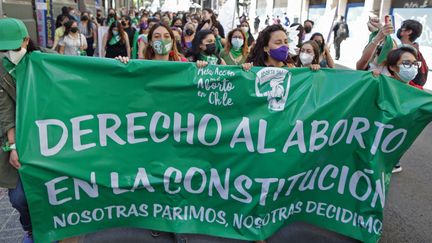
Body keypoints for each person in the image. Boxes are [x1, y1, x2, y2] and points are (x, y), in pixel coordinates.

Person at [0, 18, 40, 243]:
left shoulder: (44, 61)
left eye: (13, 48)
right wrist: (12, 146)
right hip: (17, 138)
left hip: (50, 135)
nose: (8, 53)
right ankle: (31, 228)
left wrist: (118, 63)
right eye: (3, 49)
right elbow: (4, 111)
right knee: (18, 197)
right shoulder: (1, 69)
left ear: (26, 41)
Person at [385, 46, 423, 172]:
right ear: (392, 67)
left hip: (395, 141)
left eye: (414, 63)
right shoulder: (380, 84)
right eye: (406, 63)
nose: (412, 67)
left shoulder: (419, 93)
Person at [117, 23, 187, 63]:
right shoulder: (142, 64)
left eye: (166, 36)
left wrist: (198, 66)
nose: (162, 40)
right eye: (157, 36)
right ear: (150, 42)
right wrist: (122, 64)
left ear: (172, 41)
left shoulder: (182, 62)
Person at [396, 19, 428, 87]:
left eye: (402, 28)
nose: (399, 30)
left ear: (409, 32)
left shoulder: (405, 53)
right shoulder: (417, 52)